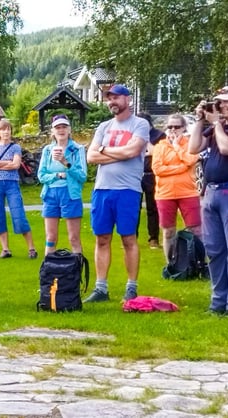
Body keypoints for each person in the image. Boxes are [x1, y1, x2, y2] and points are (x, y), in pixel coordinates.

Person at [84, 84, 150, 303]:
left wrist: (103, 150)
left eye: (116, 97)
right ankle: (101, 289)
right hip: (102, 189)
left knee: (128, 238)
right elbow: (91, 157)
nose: (112, 101)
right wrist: (117, 154)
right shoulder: (104, 126)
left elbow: (133, 151)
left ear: (127, 99)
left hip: (128, 190)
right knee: (102, 238)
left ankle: (131, 287)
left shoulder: (140, 124)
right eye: (109, 98)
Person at [189, 85, 228, 316]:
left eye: (227, 101)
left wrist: (217, 124)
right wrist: (200, 121)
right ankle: (218, 301)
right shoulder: (216, 128)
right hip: (212, 192)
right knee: (215, 249)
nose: (222, 105)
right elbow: (193, 148)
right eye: (220, 101)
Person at [152, 113, 201, 262]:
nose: (173, 130)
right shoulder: (160, 146)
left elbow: (191, 159)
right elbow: (157, 169)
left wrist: (176, 146)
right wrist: (181, 167)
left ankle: (197, 262)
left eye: (177, 127)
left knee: (195, 229)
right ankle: (171, 264)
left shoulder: (191, 144)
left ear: (184, 128)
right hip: (165, 194)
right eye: (170, 126)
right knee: (168, 231)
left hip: (188, 193)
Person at [37, 115, 87, 256]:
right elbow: (41, 176)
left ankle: (77, 268)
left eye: (64, 127)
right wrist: (57, 175)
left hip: (70, 194)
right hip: (50, 194)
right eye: (57, 127)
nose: (61, 130)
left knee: (73, 238)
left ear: (69, 129)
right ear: (52, 131)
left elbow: (82, 176)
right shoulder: (48, 150)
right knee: (50, 238)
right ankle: (49, 268)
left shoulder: (77, 149)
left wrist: (65, 163)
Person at [0, 119, 37, 259]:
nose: (6, 132)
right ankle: (5, 249)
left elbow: (15, 165)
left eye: (8, 129)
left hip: (12, 184)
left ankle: (31, 248)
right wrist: (6, 163)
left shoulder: (15, 148)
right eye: (3, 129)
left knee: (19, 215)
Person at [138, 113, 164, 250]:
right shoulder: (134, 135)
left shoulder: (159, 135)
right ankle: (131, 237)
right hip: (135, 175)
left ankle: (153, 238)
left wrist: (146, 140)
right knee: (133, 208)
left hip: (152, 175)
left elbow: (158, 153)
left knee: (152, 208)